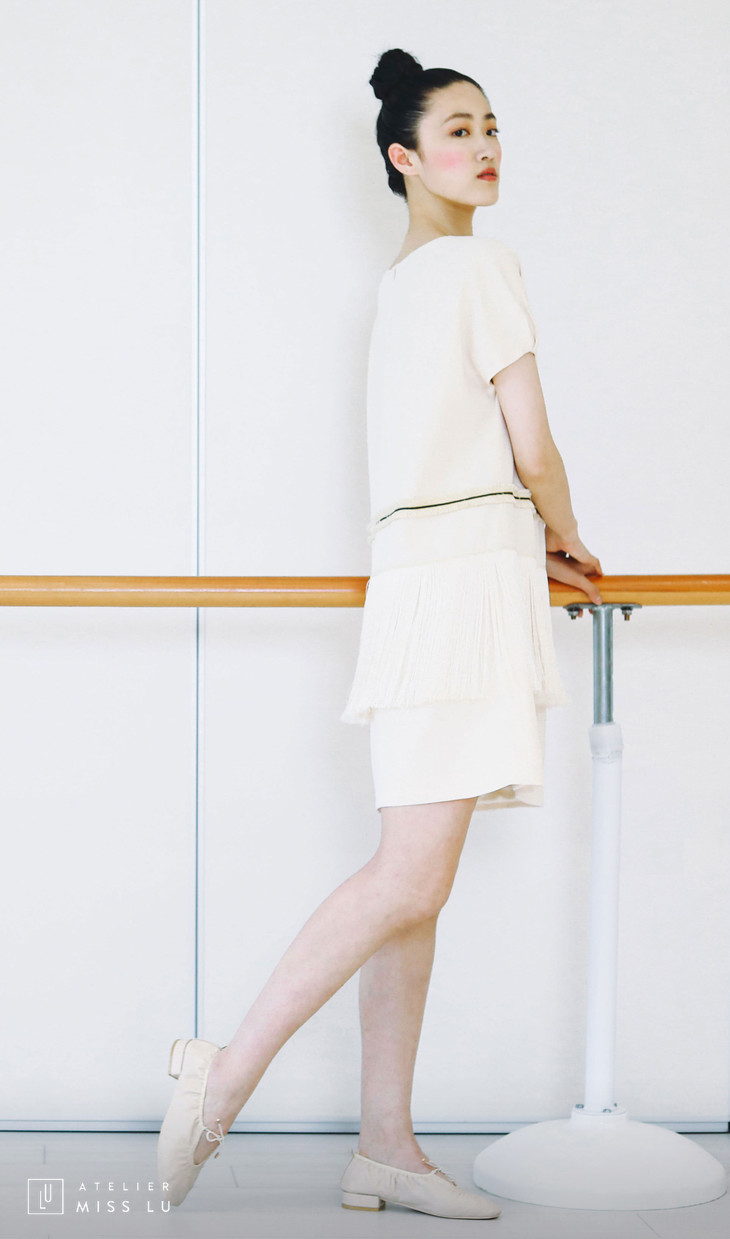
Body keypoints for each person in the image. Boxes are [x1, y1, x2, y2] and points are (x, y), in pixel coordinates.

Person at [157, 47, 603, 1222]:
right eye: (459, 130)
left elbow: (443, 461)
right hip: (459, 590)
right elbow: (531, 446)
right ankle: (224, 1073)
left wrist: (520, 539)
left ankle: (385, 1147)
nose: (485, 146)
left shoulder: (402, 285)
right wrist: (567, 535)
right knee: (408, 877)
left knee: (417, 886)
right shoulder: (478, 266)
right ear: (404, 156)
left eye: (492, 127)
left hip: (417, 579)